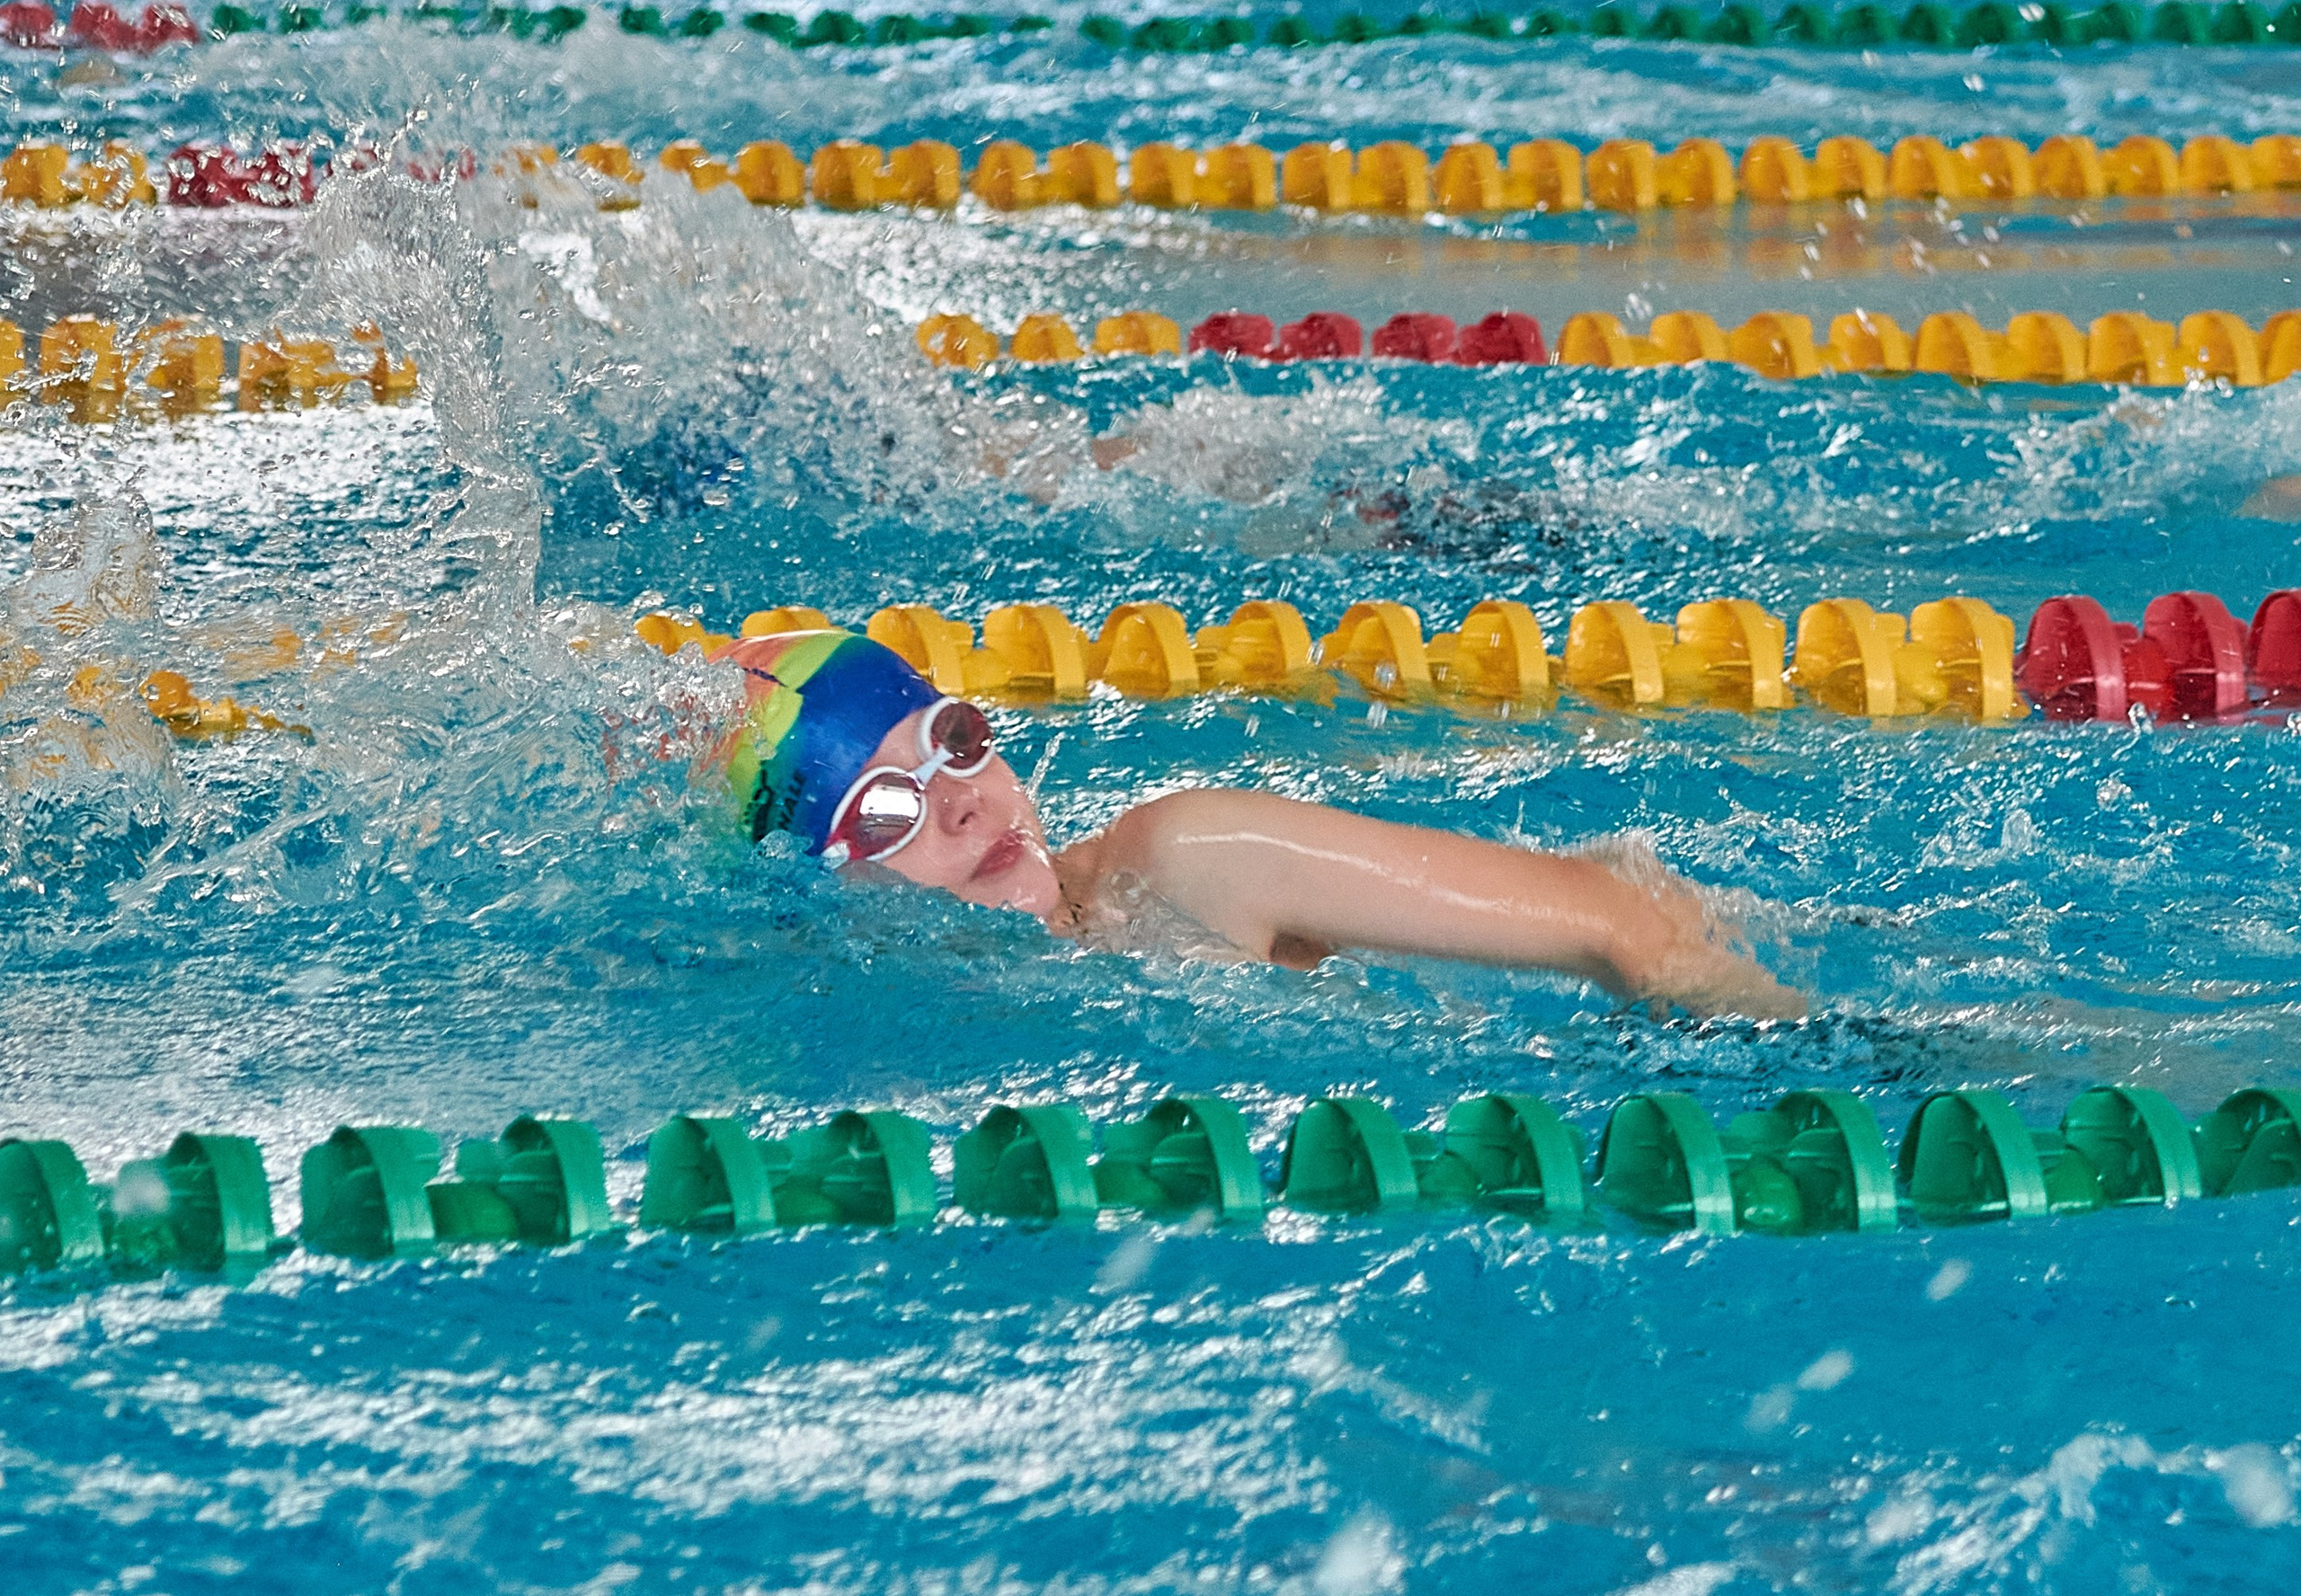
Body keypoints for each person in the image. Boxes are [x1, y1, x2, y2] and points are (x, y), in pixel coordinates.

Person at [706, 628, 1806, 1020]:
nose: (960, 799)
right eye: (887, 809)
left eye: (953, 738)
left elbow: (1612, 917)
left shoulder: (1186, 863)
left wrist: (1831, 1064)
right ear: (816, 887)